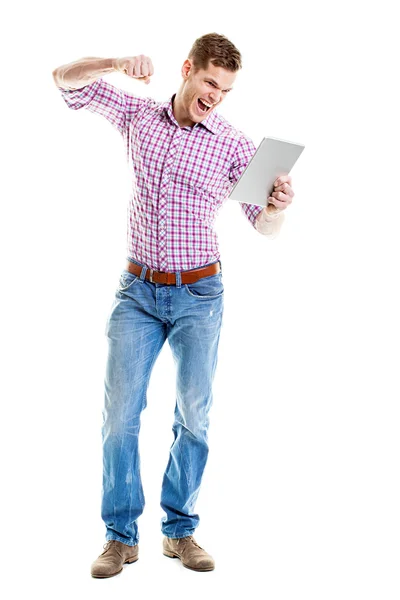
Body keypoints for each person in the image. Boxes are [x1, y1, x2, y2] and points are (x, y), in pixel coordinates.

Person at [52, 32, 295, 578]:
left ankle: (180, 531)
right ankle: (120, 537)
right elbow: (63, 81)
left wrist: (278, 205)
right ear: (188, 69)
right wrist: (114, 62)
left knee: (194, 417)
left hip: (199, 295)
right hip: (136, 291)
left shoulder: (234, 145)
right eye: (210, 81)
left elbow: (265, 227)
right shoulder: (139, 115)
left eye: (226, 90)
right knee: (119, 417)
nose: (215, 96)